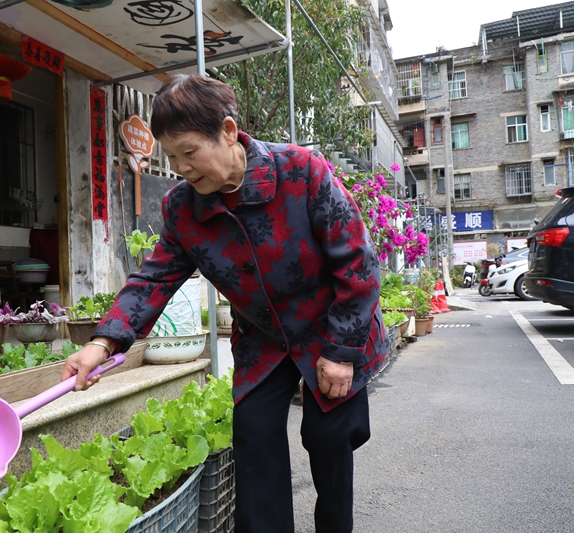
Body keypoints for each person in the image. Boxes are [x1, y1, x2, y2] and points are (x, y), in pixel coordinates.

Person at [62, 73, 387, 533]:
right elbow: (153, 277)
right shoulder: (182, 208)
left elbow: (357, 263)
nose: (181, 168)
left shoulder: (301, 171)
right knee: (252, 435)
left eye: (189, 152)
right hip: (265, 339)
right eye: (171, 157)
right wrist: (103, 342)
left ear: (229, 132)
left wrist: (340, 353)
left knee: (329, 438)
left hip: (331, 328)